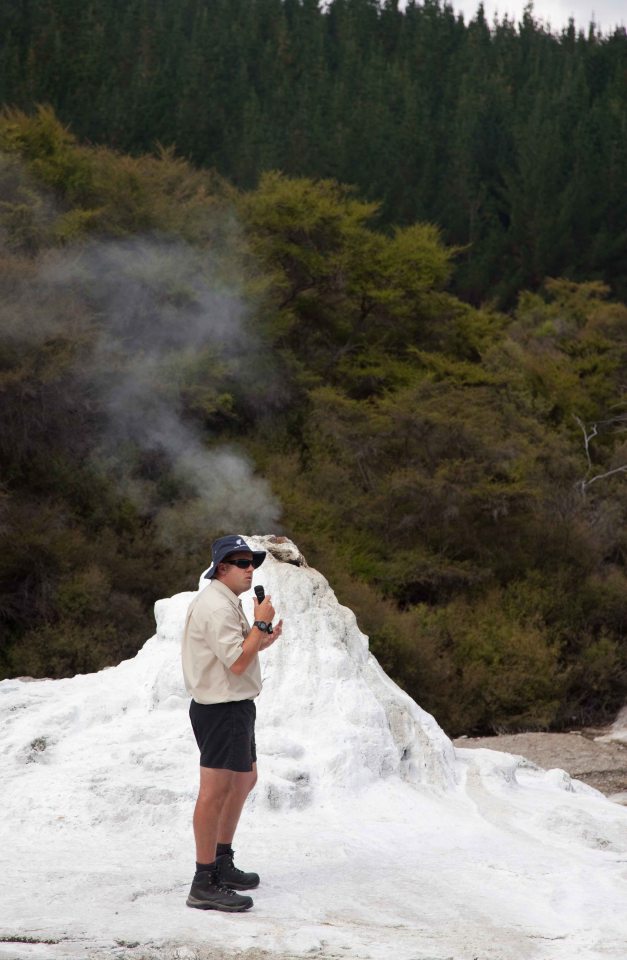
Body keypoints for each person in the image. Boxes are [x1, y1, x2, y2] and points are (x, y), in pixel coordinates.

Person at [181, 535, 282, 912]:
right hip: (221, 708)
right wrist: (260, 622)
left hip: (235, 706)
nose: (249, 569)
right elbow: (237, 663)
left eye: (251, 562)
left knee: (244, 779)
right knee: (215, 792)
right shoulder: (216, 607)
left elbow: (242, 649)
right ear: (221, 568)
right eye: (242, 563)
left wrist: (263, 634)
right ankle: (204, 880)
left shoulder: (226, 602)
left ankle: (221, 861)